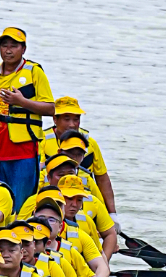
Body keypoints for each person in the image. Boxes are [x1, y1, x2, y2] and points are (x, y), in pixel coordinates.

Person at [0, 26, 55, 214]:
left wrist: (22, 102)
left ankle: (19, 239)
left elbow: (51, 108)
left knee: (20, 202)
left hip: (22, 149)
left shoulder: (33, 71)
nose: (8, 50)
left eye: (14, 46)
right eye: (4, 45)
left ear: (23, 49)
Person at [40, 95, 117, 224]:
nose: (72, 124)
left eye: (76, 119)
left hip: (82, 201)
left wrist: (112, 214)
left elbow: (102, 178)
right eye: (66, 119)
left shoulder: (90, 144)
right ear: (55, 119)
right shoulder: (41, 141)